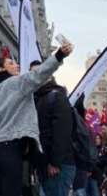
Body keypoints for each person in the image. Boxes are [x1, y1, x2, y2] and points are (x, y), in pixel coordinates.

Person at [0, 41, 74, 196]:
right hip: (10, 149)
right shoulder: (15, 84)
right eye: (11, 63)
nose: (17, 65)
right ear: (1, 69)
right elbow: (38, 74)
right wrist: (59, 55)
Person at [31, 63, 76, 196]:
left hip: (58, 166)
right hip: (45, 165)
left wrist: (55, 163)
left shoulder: (56, 96)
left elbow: (62, 133)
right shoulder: (38, 99)